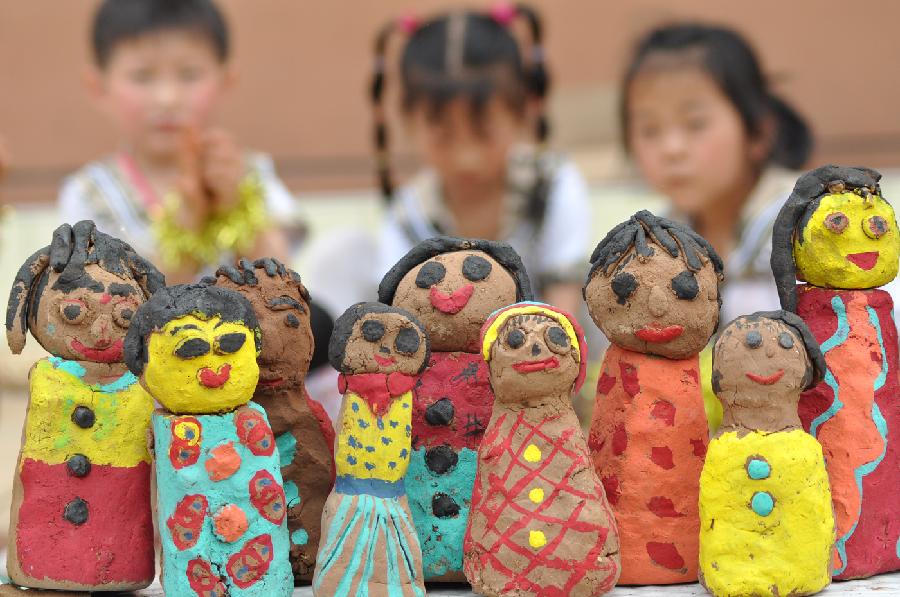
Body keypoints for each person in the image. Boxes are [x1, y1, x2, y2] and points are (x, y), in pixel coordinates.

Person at [310, 3, 589, 319]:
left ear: (523, 111)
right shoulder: (408, 215)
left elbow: (563, 311)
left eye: (483, 133)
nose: (465, 157)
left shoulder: (552, 186)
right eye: (443, 136)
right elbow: (408, 321)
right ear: (408, 121)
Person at [58, 0, 301, 284]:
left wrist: (236, 204)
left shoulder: (250, 174)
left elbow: (283, 283)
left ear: (227, 81)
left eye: (189, 75)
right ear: (98, 86)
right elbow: (107, 307)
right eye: (142, 76)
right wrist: (186, 228)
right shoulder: (88, 193)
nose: (167, 98)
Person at [620, 23, 812, 324]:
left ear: (759, 131)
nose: (671, 149)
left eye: (695, 123)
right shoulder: (652, 240)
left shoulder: (808, 223)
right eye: (649, 129)